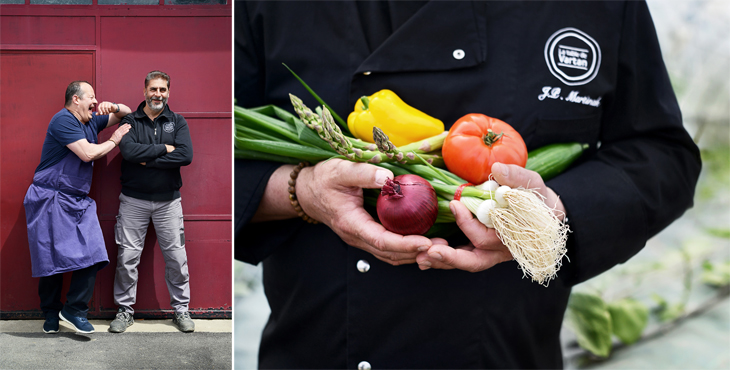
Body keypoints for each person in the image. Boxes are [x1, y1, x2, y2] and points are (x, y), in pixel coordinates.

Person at [235, 1, 702, 368]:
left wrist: (554, 212)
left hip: (507, 354)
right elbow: (193, 159)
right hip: (316, 352)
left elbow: (662, 155)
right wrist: (303, 190)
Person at [24, 81, 132, 334]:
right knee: (51, 260)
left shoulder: (91, 121)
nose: (95, 102)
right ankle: (51, 313)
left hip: (77, 201)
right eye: (91, 98)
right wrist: (115, 140)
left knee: (94, 253)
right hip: (50, 198)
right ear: (75, 99)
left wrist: (113, 106)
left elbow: (126, 113)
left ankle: (73, 310)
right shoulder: (62, 120)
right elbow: (87, 154)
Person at [109, 70, 195, 333]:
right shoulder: (131, 120)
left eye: (163, 89)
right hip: (133, 201)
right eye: (153, 89)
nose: (158, 94)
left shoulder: (177, 122)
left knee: (176, 258)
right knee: (127, 257)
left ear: (169, 92)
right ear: (144, 90)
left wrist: (148, 160)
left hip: (168, 202)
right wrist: (163, 149)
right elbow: (128, 151)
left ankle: (181, 310)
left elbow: (186, 155)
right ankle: (125, 311)